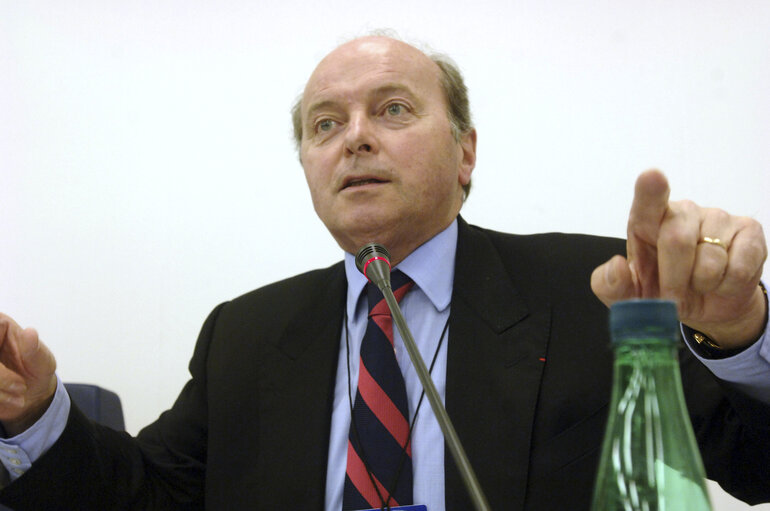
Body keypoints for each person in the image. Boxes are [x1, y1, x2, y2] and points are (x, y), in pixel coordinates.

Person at [0, 35, 768, 510]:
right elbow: (150, 496)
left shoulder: (598, 286)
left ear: (466, 152)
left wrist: (736, 335)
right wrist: (36, 413)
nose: (354, 138)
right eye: (325, 124)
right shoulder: (247, 332)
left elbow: (755, 463)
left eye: (393, 109)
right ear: (306, 163)